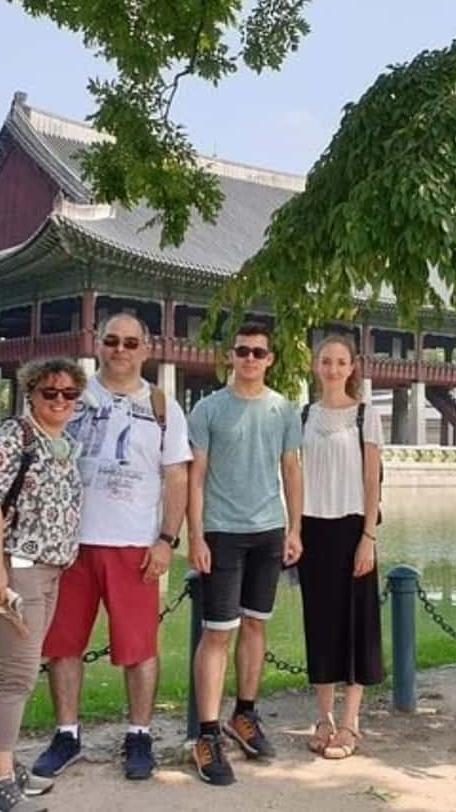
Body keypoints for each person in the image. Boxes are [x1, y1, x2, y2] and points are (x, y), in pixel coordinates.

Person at [32, 312, 192, 781]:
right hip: (69, 544)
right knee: (63, 644)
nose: (121, 349)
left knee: (139, 646)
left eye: (131, 342)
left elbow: (177, 477)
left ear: (147, 349)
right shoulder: (71, 396)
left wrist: (167, 539)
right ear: (98, 344)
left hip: (134, 544)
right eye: (112, 340)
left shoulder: (163, 406)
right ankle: (67, 734)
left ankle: (139, 734)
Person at [187, 321, 303, 786]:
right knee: (217, 632)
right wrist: (195, 536)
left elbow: (291, 470)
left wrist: (295, 528)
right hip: (222, 531)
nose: (250, 358)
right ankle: (207, 733)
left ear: (270, 359)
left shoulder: (284, 410)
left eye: (258, 352)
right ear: (230, 356)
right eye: (243, 351)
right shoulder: (208, 409)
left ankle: (245, 713)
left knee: (256, 624)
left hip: (268, 530)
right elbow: (195, 477)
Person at [0, 357, 86, 812]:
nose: (59, 400)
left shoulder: (65, 444)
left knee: (7, 671)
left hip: (50, 569)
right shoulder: (13, 436)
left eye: (69, 394)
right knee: (17, 676)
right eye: (49, 392)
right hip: (16, 569)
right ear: (30, 393)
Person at [298, 333, 384, 759]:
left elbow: (372, 479)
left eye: (340, 362)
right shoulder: (303, 416)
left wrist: (368, 536)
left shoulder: (366, 415)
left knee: (356, 623)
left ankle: (350, 721)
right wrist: (292, 531)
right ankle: (324, 717)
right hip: (312, 527)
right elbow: (293, 475)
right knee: (320, 623)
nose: (333, 369)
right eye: (326, 361)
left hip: (352, 527)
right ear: (315, 366)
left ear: (352, 367)